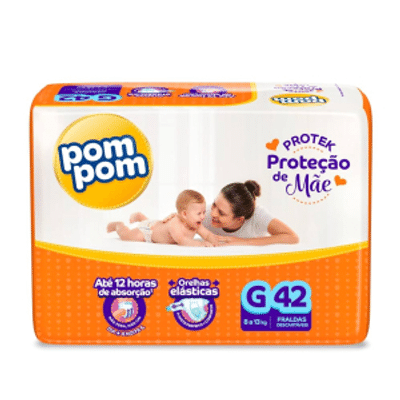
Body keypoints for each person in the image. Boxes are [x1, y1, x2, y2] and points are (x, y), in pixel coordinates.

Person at [107, 190, 225, 247]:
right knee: (127, 236)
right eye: (199, 213)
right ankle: (118, 225)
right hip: (148, 232)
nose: (203, 216)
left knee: (151, 222)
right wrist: (201, 244)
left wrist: (214, 241)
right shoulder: (174, 224)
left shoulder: (195, 223)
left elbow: (207, 234)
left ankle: (141, 217)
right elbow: (182, 241)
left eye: (204, 212)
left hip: (156, 224)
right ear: (184, 214)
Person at [202, 180, 299, 246]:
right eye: (214, 204)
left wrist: (242, 242)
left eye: (221, 213)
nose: (213, 213)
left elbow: (292, 238)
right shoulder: (203, 214)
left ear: (239, 219)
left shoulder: (258, 216)